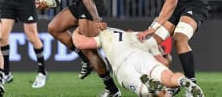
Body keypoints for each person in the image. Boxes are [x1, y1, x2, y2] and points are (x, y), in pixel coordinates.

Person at [37, 0, 121, 97]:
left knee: (88, 48)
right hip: (79, 3)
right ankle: (86, 59)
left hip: (93, 2)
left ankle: (112, 90)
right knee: (53, 28)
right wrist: (45, 1)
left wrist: (96, 20)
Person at [72, 27, 205, 97]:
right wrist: (167, 59)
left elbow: (80, 44)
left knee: (147, 92)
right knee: (169, 77)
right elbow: (164, 62)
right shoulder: (142, 37)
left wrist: (77, 30)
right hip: (142, 56)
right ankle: (184, 81)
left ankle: (154, 89)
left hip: (123, 65)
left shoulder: (106, 35)